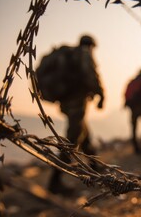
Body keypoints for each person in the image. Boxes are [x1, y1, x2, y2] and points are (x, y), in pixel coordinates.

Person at [44, 35, 104, 194]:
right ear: (90, 45)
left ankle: (95, 170)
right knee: (72, 139)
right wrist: (100, 93)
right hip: (77, 101)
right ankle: (54, 181)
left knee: (84, 134)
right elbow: (90, 73)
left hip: (67, 101)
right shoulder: (84, 53)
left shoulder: (69, 56)